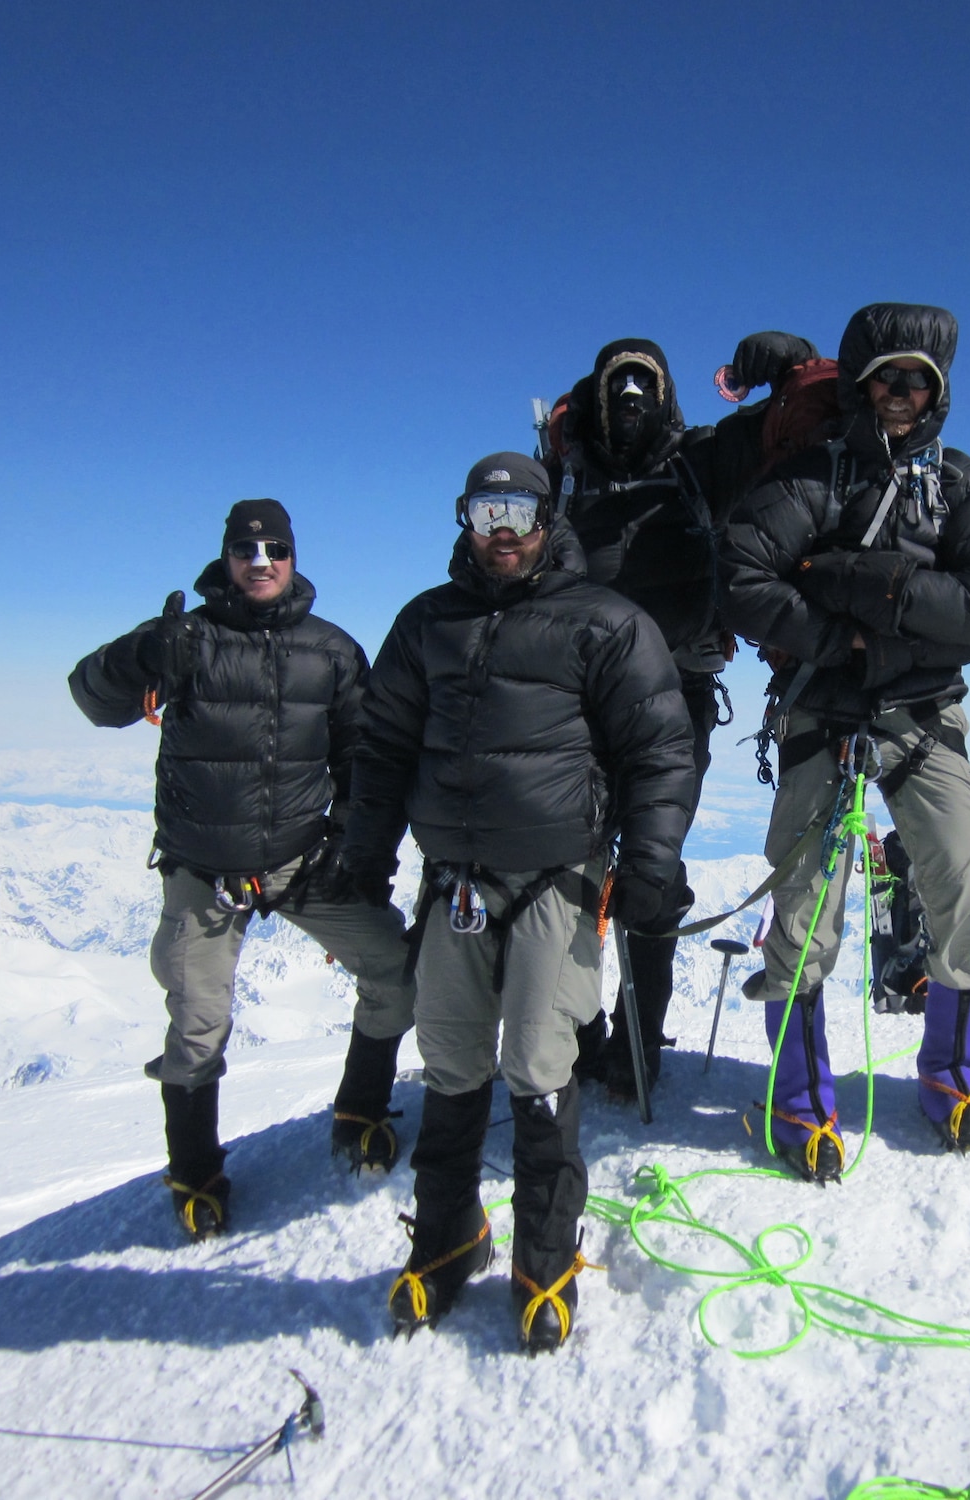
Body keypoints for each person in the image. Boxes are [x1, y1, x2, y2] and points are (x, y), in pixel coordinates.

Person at [340, 454, 694, 1351]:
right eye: (485, 510)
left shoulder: (604, 622)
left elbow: (658, 747)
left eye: (520, 511)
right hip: (451, 879)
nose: (503, 529)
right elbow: (382, 746)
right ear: (463, 518)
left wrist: (651, 858)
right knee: (454, 1062)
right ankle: (449, 1234)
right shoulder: (428, 623)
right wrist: (366, 849)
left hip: (554, 880)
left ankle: (546, 1258)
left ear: (549, 517)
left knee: (538, 1067)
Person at [720, 303, 970, 1177]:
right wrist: (841, 642)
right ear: (861, 385)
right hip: (827, 703)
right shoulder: (814, 476)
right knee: (804, 898)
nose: (900, 393)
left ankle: (951, 1070)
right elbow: (740, 577)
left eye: (917, 380)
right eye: (886, 377)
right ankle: (800, 1090)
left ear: (938, 392)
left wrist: (861, 593)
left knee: (960, 880)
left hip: (919, 712)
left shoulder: (966, 487)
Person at [68, 499, 418, 1241]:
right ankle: (195, 1171)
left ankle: (361, 1107)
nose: (261, 564)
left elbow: (363, 757)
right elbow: (92, 697)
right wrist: (140, 659)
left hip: (299, 858)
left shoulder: (331, 651)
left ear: (294, 557)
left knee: (395, 967)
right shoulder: (183, 641)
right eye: (246, 551)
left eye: (275, 551)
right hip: (203, 868)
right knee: (199, 1027)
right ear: (226, 558)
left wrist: (354, 849)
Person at [540, 336, 791, 1101]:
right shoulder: (564, 473)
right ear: (596, 393)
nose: (630, 400)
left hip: (676, 698)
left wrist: (769, 361)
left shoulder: (700, 461)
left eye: (644, 383)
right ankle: (584, 1035)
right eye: (618, 384)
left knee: (650, 868)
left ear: (666, 394)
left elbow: (803, 407)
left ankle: (636, 1042)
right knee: (571, 864)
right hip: (578, 699)